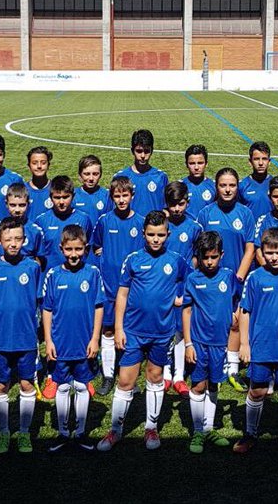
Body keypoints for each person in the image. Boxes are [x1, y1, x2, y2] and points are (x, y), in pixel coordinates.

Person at [96, 211, 189, 452]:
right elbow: (122, 294)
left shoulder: (176, 260)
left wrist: (180, 297)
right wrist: (118, 328)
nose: (155, 239)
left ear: (168, 234)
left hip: (162, 332)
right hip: (133, 331)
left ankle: (151, 427)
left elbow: (187, 281)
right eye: (151, 235)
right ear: (144, 235)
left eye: (160, 235)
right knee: (126, 380)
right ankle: (115, 430)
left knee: (155, 377)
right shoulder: (133, 259)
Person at [233, 228, 278, 456]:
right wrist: (244, 344)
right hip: (261, 345)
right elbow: (244, 312)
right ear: (262, 253)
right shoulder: (255, 278)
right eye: (269, 252)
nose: (274, 257)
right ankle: (250, 434)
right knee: (257, 390)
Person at [0, 217, 44, 454]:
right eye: (8, 239)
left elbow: (39, 301)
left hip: (26, 338)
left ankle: (25, 433)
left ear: (24, 240)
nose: (13, 243)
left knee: (27, 383)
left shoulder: (33, 267)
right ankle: (4, 432)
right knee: (0, 385)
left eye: (18, 239)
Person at [41, 225, 105, 452]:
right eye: (69, 250)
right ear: (61, 249)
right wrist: (48, 340)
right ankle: (62, 432)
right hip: (60, 344)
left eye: (78, 249)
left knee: (81, 386)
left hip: (84, 343)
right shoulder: (53, 275)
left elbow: (99, 307)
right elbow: (47, 310)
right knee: (61, 387)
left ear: (86, 249)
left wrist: (95, 338)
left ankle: (80, 432)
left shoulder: (93, 273)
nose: (74, 254)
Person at [198, 167, 257, 392]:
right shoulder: (206, 213)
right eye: (223, 185)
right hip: (211, 278)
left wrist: (239, 275)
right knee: (211, 319)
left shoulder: (245, 214)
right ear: (216, 187)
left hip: (237, 277)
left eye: (232, 185)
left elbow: (250, 248)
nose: (227, 189)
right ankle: (210, 362)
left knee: (234, 321)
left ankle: (231, 368)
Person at [180, 231, 237, 453]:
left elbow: (237, 303)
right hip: (199, 342)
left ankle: (209, 428)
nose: (210, 262)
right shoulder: (193, 279)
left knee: (214, 384)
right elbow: (186, 311)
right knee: (198, 385)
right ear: (199, 257)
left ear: (221, 255)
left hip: (219, 344)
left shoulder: (228, 277)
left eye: (214, 257)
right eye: (206, 258)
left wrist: (233, 315)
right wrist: (188, 343)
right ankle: (197, 431)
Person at [90, 176, 143, 396]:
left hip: (132, 288)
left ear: (132, 196)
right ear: (111, 197)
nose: (121, 200)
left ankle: (127, 372)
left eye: (125, 195)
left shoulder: (140, 222)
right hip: (110, 286)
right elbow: (96, 246)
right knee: (109, 329)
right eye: (117, 196)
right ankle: (108, 374)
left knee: (129, 330)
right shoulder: (104, 221)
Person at [164, 181, 203, 395]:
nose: (176, 208)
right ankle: (164, 372)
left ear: (187, 203)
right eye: (172, 204)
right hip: (162, 284)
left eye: (180, 204)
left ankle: (178, 375)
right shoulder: (162, 225)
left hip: (183, 285)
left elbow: (198, 257)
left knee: (180, 329)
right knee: (164, 328)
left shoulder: (195, 227)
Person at [34, 175, 94, 269]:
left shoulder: (83, 219)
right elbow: (37, 253)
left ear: (73, 196)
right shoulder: (41, 221)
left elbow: (89, 247)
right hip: (51, 276)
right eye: (57, 197)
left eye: (66, 197)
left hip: (77, 275)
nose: (61, 202)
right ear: (50, 197)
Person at [114, 129, 168, 216]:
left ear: (152, 151)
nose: (143, 156)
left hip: (153, 228)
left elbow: (166, 208)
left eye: (146, 151)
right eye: (139, 151)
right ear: (132, 151)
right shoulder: (121, 176)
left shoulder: (161, 177)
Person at [0, 183, 42, 261]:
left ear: (28, 204)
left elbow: (39, 259)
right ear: (6, 204)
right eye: (13, 205)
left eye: (22, 205)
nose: (17, 210)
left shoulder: (35, 231)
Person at [239, 141, 273, 220]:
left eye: (264, 159)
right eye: (257, 159)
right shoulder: (242, 185)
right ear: (250, 162)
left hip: (271, 231)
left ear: (269, 162)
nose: (261, 163)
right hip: (250, 231)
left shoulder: (275, 185)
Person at [182, 144, 215, 219]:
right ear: (186, 164)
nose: (196, 167)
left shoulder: (214, 186)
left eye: (200, 163)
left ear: (206, 164)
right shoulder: (180, 186)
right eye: (192, 163)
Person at [25, 146, 53, 220]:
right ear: (29, 166)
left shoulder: (56, 188)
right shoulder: (22, 189)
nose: (39, 166)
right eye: (34, 163)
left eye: (43, 163)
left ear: (48, 165)